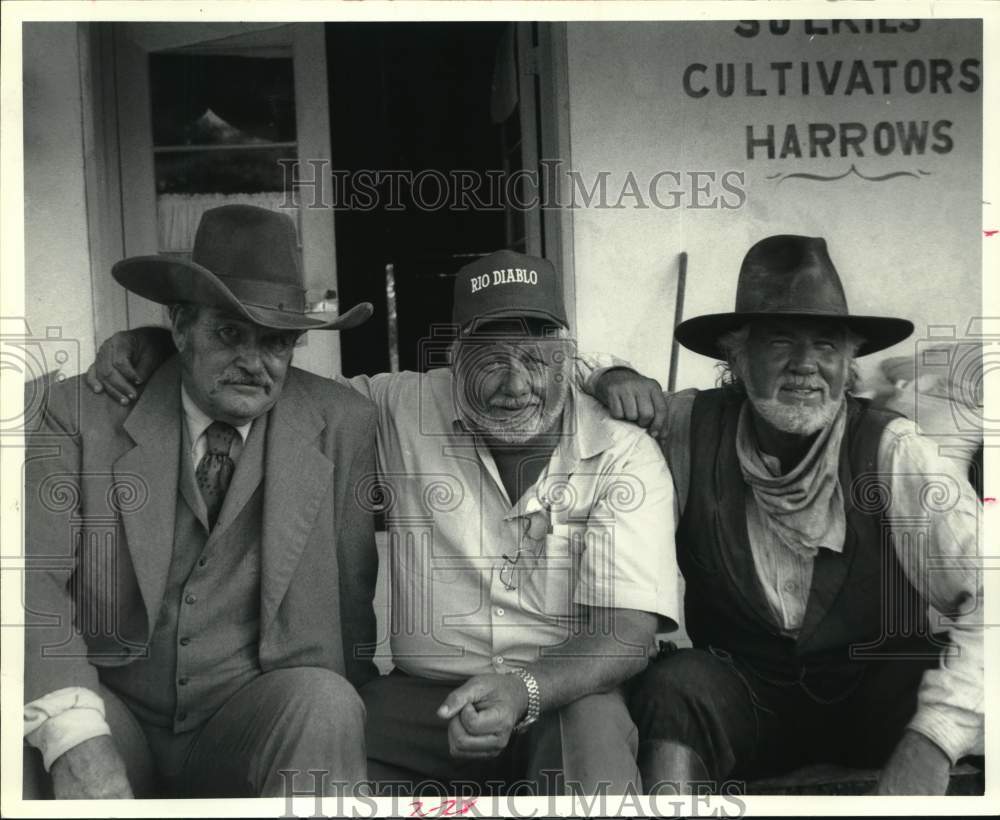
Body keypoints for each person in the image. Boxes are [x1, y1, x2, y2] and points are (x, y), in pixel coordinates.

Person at [83, 249, 681, 795]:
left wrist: (523, 690)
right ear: (454, 359)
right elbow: (263, 383)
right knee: (314, 749)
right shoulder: (399, 407)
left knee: (592, 750)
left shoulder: (624, 453)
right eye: (491, 361)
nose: (515, 384)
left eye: (536, 358)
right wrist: (165, 346)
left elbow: (628, 633)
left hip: (562, 691)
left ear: (567, 361)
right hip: (422, 702)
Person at [597, 235, 983, 795]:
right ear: (736, 355)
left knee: (954, 680)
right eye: (780, 341)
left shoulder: (892, 448)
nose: (806, 365)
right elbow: (558, 397)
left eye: (826, 345)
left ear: (848, 360)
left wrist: (935, 739)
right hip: (746, 698)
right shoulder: (683, 428)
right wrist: (610, 376)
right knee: (673, 684)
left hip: (875, 694)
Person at [23, 205, 380, 798]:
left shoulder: (343, 421)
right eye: (228, 333)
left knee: (325, 702)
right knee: (27, 744)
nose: (253, 361)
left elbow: (350, 598)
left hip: (251, 717)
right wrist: (75, 733)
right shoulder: (79, 414)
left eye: (276, 342)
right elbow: (30, 581)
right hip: (116, 708)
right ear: (180, 326)